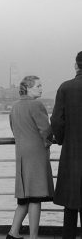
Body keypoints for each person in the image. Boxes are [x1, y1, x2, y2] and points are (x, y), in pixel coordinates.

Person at [7, 76, 54, 239]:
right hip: (36, 154)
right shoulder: (36, 105)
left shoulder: (15, 107)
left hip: (21, 153)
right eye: (38, 86)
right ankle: (34, 236)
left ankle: (13, 232)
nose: (41, 88)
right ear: (28, 88)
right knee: (35, 197)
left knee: (24, 196)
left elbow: (14, 129)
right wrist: (48, 143)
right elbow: (46, 130)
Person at [50, 51, 82, 239]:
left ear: (76, 66)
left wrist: (61, 139)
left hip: (72, 153)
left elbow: (57, 121)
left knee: (71, 203)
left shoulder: (65, 88)